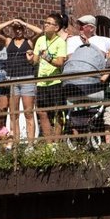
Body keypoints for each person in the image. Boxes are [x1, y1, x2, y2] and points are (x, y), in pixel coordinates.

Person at [30, 13, 72, 141]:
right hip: (42, 82)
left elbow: (60, 62)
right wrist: (31, 57)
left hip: (55, 81)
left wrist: (47, 58)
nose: (45, 25)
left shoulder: (60, 42)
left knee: (58, 112)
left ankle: (57, 142)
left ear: (56, 27)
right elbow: (35, 61)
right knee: (42, 112)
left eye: (49, 23)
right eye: (45, 22)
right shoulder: (40, 40)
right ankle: (49, 143)